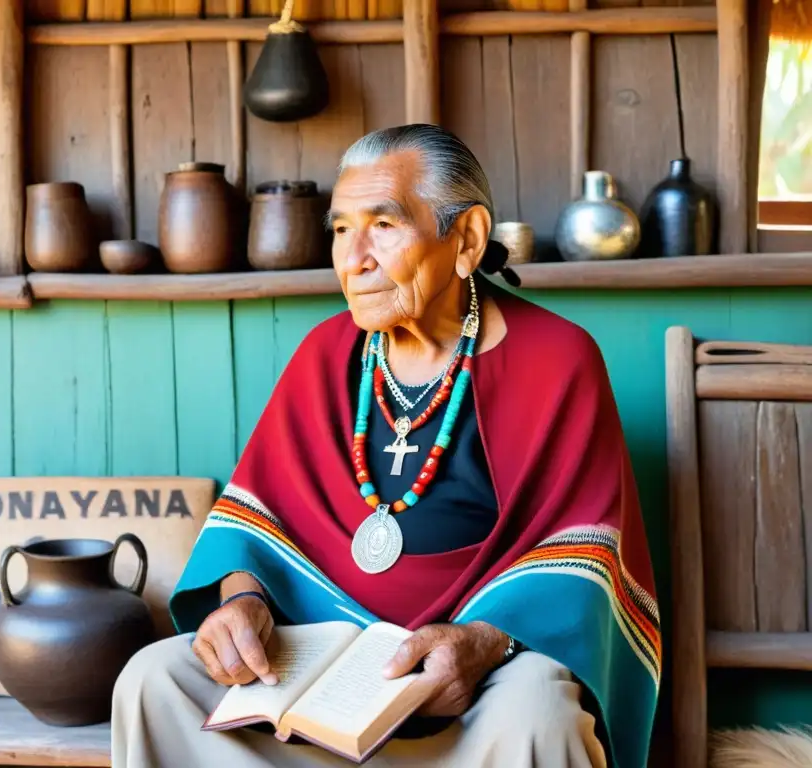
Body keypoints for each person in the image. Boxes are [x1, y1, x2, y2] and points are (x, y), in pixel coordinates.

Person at [110, 124, 661, 768]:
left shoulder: (558, 359)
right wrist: (243, 603)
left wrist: (483, 641)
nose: (354, 257)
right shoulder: (324, 353)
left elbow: (583, 555)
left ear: (467, 239)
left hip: (473, 686)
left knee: (538, 708)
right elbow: (253, 526)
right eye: (342, 229)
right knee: (155, 678)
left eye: (384, 225)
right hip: (318, 663)